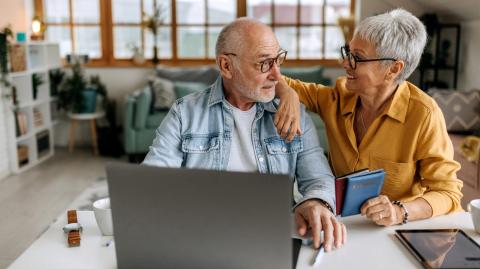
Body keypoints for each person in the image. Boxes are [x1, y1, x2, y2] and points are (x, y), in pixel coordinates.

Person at [143, 18, 346, 251]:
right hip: (203, 237)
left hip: (272, 237)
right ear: (226, 66)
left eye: (278, 59)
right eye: (264, 64)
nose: (277, 75)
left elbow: (319, 178)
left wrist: (315, 202)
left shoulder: (293, 113)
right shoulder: (184, 114)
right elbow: (153, 182)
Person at [274, 9, 463, 226]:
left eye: (358, 58)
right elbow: (276, 79)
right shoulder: (337, 96)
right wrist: (288, 92)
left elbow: (448, 193)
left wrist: (399, 211)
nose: (346, 63)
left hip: (393, 232)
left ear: (393, 68)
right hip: (338, 224)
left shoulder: (423, 114)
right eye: (348, 52)